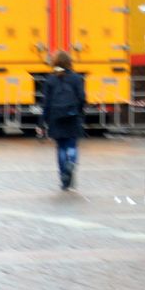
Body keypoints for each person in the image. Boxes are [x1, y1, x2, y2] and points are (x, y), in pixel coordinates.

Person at [38, 51, 85, 190]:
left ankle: (64, 177)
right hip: (73, 115)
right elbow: (82, 97)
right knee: (72, 144)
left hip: (56, 117)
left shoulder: (50, 79)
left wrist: (42, 122)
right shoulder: (76, 78)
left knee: (61, 147)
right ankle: (71, 161)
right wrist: (79, 112)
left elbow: (46, 103)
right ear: (69, 62)